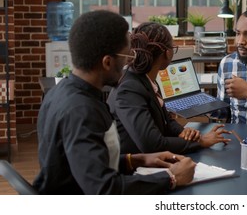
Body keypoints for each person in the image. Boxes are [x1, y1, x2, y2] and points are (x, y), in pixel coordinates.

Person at [33, 10, 196, 194]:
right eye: (127, 57)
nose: (129, 65)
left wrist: (135, 160)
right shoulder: (81, 111)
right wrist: (171, 178)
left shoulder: (61, 92)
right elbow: (104, 188)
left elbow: (86, 162)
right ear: (107, 62)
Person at [106, 22, 231, 155]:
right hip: (135, 167)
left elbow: (166, 120)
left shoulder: (146, 79)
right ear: (167, 53)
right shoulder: (129, 88)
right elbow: (152, 144)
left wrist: (182, 132)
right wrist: (200, 141)